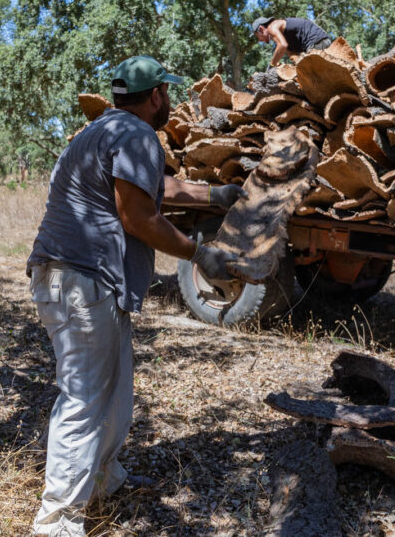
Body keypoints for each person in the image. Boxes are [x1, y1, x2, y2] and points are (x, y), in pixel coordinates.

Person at [27, 55, 244, 537]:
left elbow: (152, 185)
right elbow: (139, 217)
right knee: (84, 399)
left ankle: (103, 480)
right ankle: (56, 523)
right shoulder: (139, 134)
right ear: (154, 97)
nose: (169, 101)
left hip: (77, 279)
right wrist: (196, 254)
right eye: (166, 92)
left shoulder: (103, 130)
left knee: (115, 394)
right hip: (85, 282)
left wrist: (214, 196)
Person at [251, 16, 333, 67]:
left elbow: (282, 45)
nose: (260, 40)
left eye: (258, 36)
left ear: (261, 29)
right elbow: (293, 56)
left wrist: (272, 64)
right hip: (320, 42)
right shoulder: (283, 36)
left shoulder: (272, 27)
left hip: (316, 42)